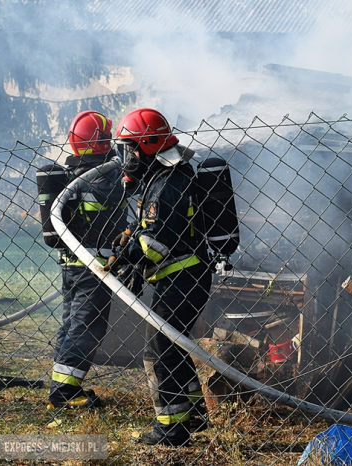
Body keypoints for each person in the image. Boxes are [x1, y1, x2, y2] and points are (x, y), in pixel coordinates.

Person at [109, 108, 212, 446]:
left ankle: (170, 428)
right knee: (175, 345)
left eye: (131, 148)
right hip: (180, 277)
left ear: (150, 145)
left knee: (158, 351)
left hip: (183, 277)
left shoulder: (168, 182)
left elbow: (154, 244)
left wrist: (126, 257)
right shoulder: (160, 177)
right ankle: (194, 413)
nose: (127, 157)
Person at [48, 110, 126, 409]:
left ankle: (62, 383)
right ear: (103, 141)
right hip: (94, 265)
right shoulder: (105, 177)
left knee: (71, 322)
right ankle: (64, 391)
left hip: (71, 263)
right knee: (86, 325)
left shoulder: (72, 176)